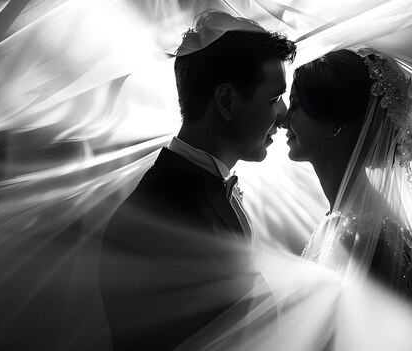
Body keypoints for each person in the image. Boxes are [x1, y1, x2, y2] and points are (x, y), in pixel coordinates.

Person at [99, 11, 296, 351]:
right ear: (227, 102)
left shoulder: (201, 189)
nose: (285, 114)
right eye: (274, 99)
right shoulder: (163, 218)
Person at [280, 48, 412, 350]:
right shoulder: (347, 220)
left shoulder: (366, 234)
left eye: (297, 107)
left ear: (335, 124)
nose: (284, 120)